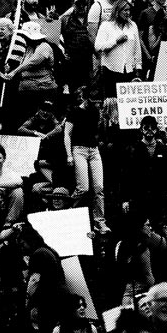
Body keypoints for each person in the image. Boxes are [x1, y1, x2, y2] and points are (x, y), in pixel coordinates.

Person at [64, 88, 108, 233]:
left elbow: (97, 132)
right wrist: (69, 154)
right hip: (79, 150)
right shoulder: (75, 112)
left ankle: (99, 221)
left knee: (99, 188)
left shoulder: (96, 112)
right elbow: (67, 134)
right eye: (94, 102)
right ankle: (68, 209)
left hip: (94, 150)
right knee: (83, 187)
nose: (97, 105)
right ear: (87, 99)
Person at [94, 0, 142, 97]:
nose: (128, 13)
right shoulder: (106, 26)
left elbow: (137, 49)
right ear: (117, 11)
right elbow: (98, 47)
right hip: (111, 71)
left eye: (129, 10)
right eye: (125, 10)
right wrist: (116, 41)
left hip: (129, 71)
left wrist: (138, 69)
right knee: (112, 102)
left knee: (128, 101)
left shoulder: (133, 25)